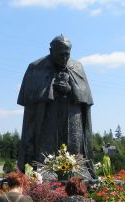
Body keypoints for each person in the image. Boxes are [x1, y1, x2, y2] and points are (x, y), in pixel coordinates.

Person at [17, 35, 95, 178]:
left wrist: (71, 90)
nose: (65, 58)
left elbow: (85, 96)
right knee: (46, 147)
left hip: (72, 114)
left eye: (67, 54)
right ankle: (44, 174)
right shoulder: (36, 67)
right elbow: (30, 97)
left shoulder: (77, 66)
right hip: (48, 116)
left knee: (74, 145)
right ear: (51, 51)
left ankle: (76, 173)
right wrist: (51, 89)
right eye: (61, 54)